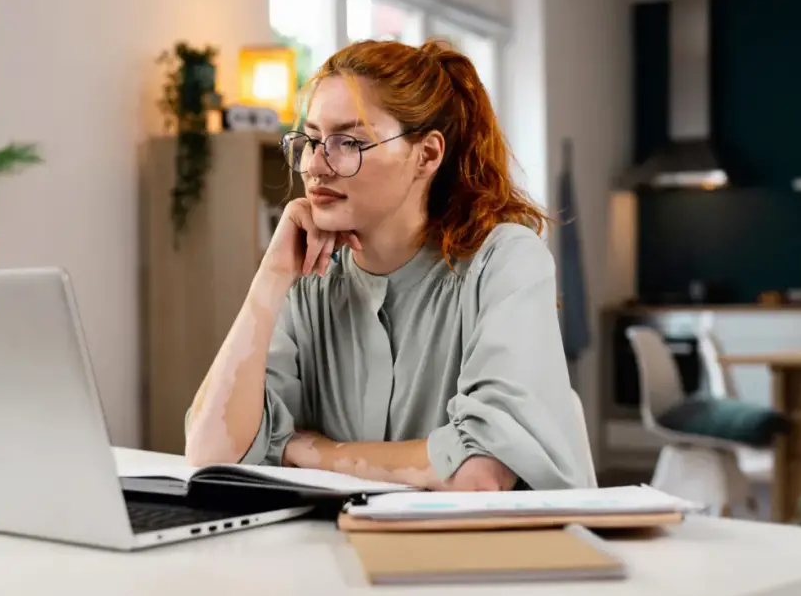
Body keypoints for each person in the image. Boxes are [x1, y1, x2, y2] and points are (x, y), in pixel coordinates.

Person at [183, 38, 595, 492]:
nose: (316, 165)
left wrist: (306, 451)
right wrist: (271, 275)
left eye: (349, 142)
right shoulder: (308, 279)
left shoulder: (504, 260)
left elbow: (479, 474)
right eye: (312, 140)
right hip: (344, 536)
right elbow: (209, 455)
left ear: (427, 155)